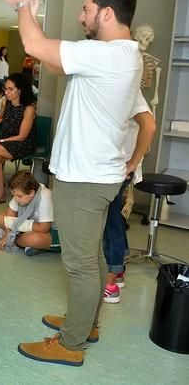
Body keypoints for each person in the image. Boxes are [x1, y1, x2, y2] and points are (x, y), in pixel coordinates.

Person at [1, 0, 141, 366]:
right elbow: (50, 59)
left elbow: (33, 46)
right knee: (91, 257)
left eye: (87, 9)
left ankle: (71, 343)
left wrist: (23, 6)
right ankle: (86, 323)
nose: (81, 17)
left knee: (79, 264)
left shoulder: (109, 55)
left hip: (85, 179)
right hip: (99, 176)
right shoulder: (122, 55)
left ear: (107, 13)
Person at [101, 91, 156, 303]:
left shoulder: (129, 90)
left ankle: (111, 283)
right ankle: (119, 270)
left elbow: (149, 127)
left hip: (119, 166)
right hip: (115, 165)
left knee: (110, 220)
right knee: (114, 216)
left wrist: (132, 162)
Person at [0, 73, 37, 206]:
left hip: (22, 143)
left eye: (10, 89)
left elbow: (22, 136)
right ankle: (1, 196)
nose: (6, 92)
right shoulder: (7, 102)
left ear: (20, 90)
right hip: (7, 142)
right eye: (6, 88)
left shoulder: (29, 109)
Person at [0, 170, 60, 256]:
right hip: (34, 226)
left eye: (19, 196)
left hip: (52, 231)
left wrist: (10, 232)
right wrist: (7, 233)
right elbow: (9, 216)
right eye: (14, 195)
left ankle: (15, 240)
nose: (16, 199)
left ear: (31, 193)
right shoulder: (21, 193)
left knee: (34, 239)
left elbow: (44, 228)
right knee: (1, 217)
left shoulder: (45, 196)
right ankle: (23, 243)